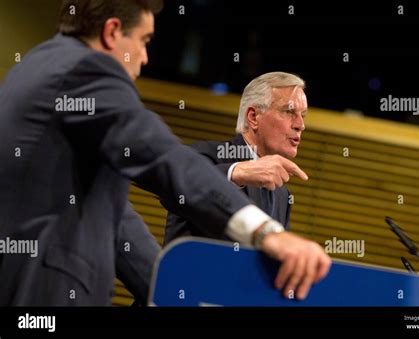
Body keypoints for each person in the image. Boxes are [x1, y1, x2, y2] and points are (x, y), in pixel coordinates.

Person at [0, 0, 331, 306]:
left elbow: (115, 222)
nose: (145, 57)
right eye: (144, 41)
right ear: (112, 31)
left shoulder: (41, 66)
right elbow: (163, 156)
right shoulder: (83, 71)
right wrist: (266, 233)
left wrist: (174, 299)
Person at [165, 72, 307, 244]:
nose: (300, 125)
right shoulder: (203, 157)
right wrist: (234, 173)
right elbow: (171, 190)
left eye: (303, 115)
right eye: (289, 111)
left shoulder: (282, 194)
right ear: (253, 117)